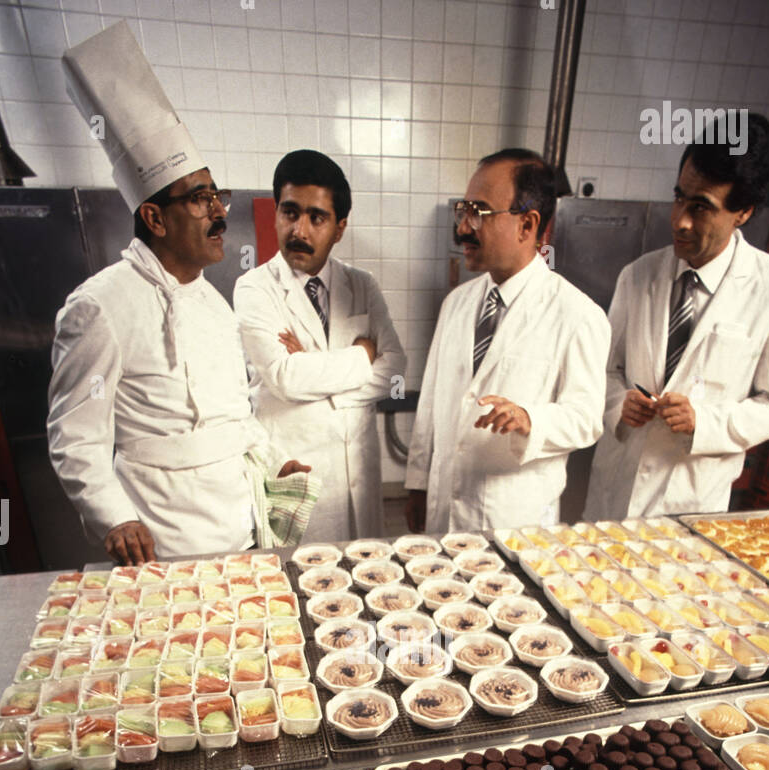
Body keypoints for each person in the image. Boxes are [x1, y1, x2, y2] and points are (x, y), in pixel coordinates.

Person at [48, 23, 311, 564]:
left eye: (218, 195)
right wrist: (114, 514)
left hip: (239, 529)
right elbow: (75, 433)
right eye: (198, 199)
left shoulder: (214, 303)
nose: (219, 212)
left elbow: (235, 415)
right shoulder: (100, 306)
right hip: (160, 538)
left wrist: (273, 457)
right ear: (153, 217)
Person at [584, 112, 769, 521]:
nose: (680, 220)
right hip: (615, 490)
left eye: (701, 207)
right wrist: (620, 402)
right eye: (678, 198)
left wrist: (704, 422)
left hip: (690, 500)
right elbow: (602, 370)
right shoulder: (638, 275)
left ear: (744, 211)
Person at [404, 148, 609, 534]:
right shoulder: (457, 304)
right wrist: (417, 483)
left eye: (478, 213)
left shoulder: (578, 314)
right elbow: (430, 400)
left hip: (513, 520)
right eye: (463, 210)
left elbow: (586, 418)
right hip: (443, 509)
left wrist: (532, 418)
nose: (463, 227)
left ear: (527, 225)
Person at [234, 150, 406, 541]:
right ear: (277, 213)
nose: (299, 230)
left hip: (359, 475)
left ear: (340, 227)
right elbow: (284, 378)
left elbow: (395, 368)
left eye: (317, 217)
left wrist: (315, 369)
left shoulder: (363, 285)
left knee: (367, 581)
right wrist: (362, 355)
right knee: (298, 586)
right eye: (290, 212)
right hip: (300, 476)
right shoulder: (254, 288)